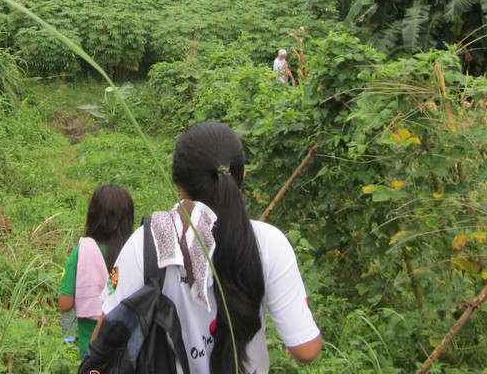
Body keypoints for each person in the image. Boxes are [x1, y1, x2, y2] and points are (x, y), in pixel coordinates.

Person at [98, 122, 321, 374]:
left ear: (177, 185)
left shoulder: (149, 241)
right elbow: (306, 350)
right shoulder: (269, 242)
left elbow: (105, 338)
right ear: (242, 178)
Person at [59, 184, 135, 359]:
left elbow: (65, 303)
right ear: (128, 218)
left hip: (92, 351)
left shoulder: (82, 252)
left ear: (93, 216)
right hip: (129, 349)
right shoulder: (135, 251)